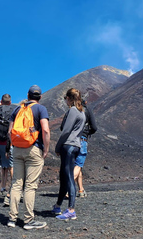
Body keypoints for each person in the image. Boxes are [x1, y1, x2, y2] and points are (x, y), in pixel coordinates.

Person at [7, 85, 50, 230]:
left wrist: (14, 145)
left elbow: (9, 131)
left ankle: (12, 219)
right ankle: (28, 220)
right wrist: (46, 148)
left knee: (16, 184)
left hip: (18, 149)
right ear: (40, 97)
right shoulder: (41, 109)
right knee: (30, 186)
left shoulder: (18, 109)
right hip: (34, 149)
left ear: (28, 95)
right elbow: (45, 129)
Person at [52, 88, 86, 221]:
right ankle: (57, 205)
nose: (65, 101)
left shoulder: (73, 110)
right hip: (76, 145)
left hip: (69, 145)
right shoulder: (82, 112)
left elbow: (66, 131)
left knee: (69, 177)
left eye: (66, 98)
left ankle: (71, 209)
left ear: (70, 99)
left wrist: (58, 145)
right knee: (64, 176)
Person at [73, 98, 97, 198]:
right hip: (82, 139)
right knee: (78, 165)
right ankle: (66, 189)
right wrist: (87, 133)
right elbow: (94, 127)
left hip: (71, 141)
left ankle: (81, 190)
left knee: (76, 165)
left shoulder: (72, 110)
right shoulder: (86, 109)